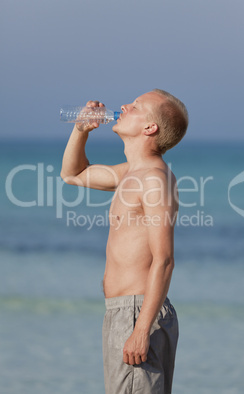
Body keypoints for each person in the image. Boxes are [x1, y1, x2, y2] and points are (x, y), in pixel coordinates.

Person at [60, 89, 188, 394]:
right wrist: (80, 130)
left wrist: (141, 329)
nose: (123, 107)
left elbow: (164, 260)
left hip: (138, 313)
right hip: (122, 312)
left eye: (136, 106)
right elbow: (73, 174)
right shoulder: (133, 172)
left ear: (149, 128)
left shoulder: (154, 179)